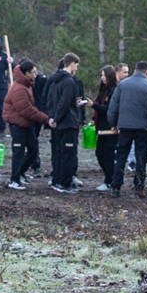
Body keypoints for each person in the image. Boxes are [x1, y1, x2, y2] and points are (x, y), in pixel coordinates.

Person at [106, 58, 147, 198]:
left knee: (121, 155)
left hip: (125, 126)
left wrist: (113, 124)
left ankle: (116, 187)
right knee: (141, 157)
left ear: (134, 70)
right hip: (142, 128)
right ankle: (139, 187)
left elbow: (113, 107)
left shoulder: (123, 85)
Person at [41, 52, 86, 192]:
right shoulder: (69, 81)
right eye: (76, 66)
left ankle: (57, 180)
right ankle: (64, 183)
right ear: (72, 64)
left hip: (58, 123)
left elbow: (51, 101)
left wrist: (52, 117)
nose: (76, 69)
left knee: (59, 152)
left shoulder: (55, 80)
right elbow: (64, 102)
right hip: (67, 122)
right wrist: (56, 117)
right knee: (68, 153)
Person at [0, 56, 44, 190]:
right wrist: (45, 118)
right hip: (17, 124)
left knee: (33, 149)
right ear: (27, 73)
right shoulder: (19, 88)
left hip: (26, 123)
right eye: (33, 72)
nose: (36, 75)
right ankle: (14, 179)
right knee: (18, 151)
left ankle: (21, 172)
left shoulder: (27, 85)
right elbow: (26, 109)